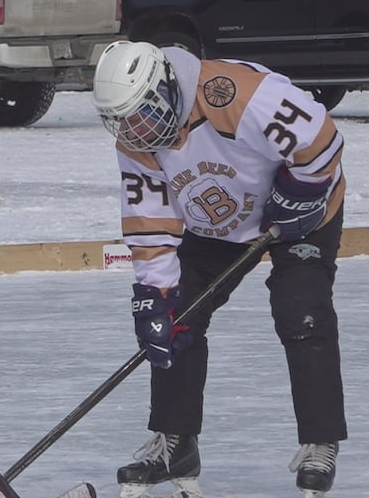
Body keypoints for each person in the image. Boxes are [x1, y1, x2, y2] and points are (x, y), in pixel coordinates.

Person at [91, 41, 347, 498]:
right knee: (176, 318)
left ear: (166, 87)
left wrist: (299, 191)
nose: (135, 129)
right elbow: (151, 223)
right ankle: (175, 442)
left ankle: (319, 442)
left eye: (142, 113)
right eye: (123, 120)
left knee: (302, 313)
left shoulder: (238, 93)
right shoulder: (136, 137)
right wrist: (156, 296)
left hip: (295, 216)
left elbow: (322, 140)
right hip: (212, 223)